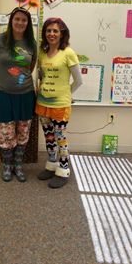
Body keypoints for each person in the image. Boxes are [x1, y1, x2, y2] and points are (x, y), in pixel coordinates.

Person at [0, 7, 37, 182]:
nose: (20, 23)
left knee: (23, 131)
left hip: (26, 94)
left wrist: (19, 80)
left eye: (24, 20)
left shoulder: (31, 43)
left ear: (28, 23)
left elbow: (30, 68)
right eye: (17, 19)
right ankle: (7, 165)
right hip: (3, 94)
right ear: (11, 20)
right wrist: (4, 79)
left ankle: (18, 165)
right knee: (5, 132)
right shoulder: (0, 40)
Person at [35, 17, 83, 189]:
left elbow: (78, 80)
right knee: (48, 136)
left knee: (60, 137)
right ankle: (51, 164)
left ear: (62, 33)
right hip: (43, 102)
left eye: (55, 30)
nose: (52, 34)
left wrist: (67, 95)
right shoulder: (42, 52)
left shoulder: (68, 53)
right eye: (48, 30)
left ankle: (63, 169)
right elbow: (41, 75)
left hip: (60, 104)